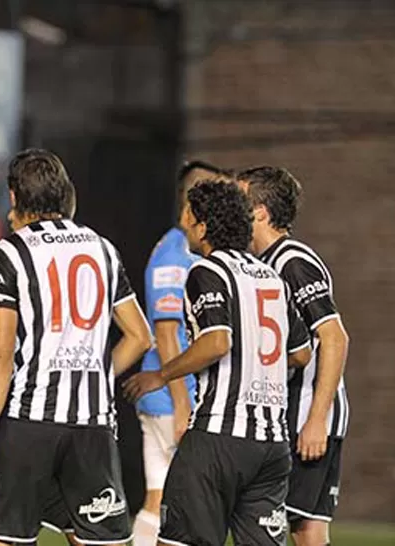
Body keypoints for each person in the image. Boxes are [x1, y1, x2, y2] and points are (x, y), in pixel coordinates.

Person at [0, 148, 153, 545]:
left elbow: (0, 355)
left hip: (26, 420)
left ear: (14, 197)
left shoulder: (9, 252)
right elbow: (139, 336)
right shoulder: (103, 249)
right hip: (91, 425)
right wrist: (97, 376)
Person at [124, 179, 312, 546]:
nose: (184, 223)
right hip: (273, 446)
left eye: (188, 215)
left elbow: (216, 342)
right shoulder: (271, 277)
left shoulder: (205, 271)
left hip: (218, 438)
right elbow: (302, 352)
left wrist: (160, 375)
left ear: (204, 226)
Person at [238, 165, 350, 546]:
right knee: (306, 530)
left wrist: (316, 419)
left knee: (280, 525)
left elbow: (334, 338)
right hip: (289, 416)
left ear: (260, 212)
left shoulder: (292, 262)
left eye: (240, 199)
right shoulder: (261, 264)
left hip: (303, 418)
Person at [131, 160, 228, 546]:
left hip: (172, 395)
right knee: (172, 501)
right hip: (171, 398)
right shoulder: (173, 256)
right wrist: (183, 404)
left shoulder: (189, 250)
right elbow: (167, 334)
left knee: (160, 497)